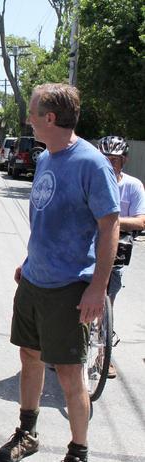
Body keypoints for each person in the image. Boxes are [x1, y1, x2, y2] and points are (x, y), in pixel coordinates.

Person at [0, 83, 120, 462]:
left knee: (69, 375)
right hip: (35, 280)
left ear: (50, 118)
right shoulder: (48, 157)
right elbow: (49, 221)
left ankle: (78, 457)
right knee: (29, 357)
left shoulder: (90, 163)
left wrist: (97, 287)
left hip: (70, 287)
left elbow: (109, 227)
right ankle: (27, 433)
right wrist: (28, 262)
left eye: (32, 112)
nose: (28, 118)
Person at [97, 135, 145, 378]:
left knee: (107, 305)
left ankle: (103, 355)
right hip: (87, 251)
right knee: (74, 300)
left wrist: (111, 222)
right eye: (106, 159)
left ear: (124, 160)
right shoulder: (90, 181)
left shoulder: (133, 185)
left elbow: (141, 220)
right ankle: (66, 351)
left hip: (116, 253)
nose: (111, 164)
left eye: (115, 160)